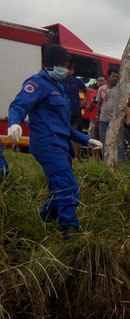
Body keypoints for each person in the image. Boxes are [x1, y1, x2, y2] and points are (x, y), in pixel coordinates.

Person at [7, 43, 103, 236]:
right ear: (52, 64)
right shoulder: (37, 83)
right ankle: (70, 228)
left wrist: (86, 140)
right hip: (46, 144)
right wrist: (15, 123)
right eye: (65, 65)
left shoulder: (57, 86)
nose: (67, 70)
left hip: (61, 145)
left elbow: (63, 125)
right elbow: (18, 105)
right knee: (68, 185)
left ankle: (44, 219)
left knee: (60, 187)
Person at [96, 69, 126, 159]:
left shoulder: (120, 88)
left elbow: (126, 102)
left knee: (119, 143)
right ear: (108, 77)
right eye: (113, 76)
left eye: (117, 77)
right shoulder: (101, 89)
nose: (115, 78)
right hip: (103, 120)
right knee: (104, 142)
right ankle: (106, 161)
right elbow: (98, 103)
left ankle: (120, 164)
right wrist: (97, 117)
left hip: (117, 120)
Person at [61, 64, 88, 156]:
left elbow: (86, 90)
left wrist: (85, 100)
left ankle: (74, 157)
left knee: (77, 135)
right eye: (66, 69)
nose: (68, 71)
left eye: (70, 70)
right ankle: (64, 155)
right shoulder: (59, 81)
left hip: (76, 111)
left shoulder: (77, 81)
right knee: (64, 134)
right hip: (63, 112)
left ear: (73, 71)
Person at [84, 75, 106, 160]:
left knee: (104, 140)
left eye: (102, 81)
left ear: (106, 82)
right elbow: (87, 109)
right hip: (93, 120)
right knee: (94, 140)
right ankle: (95, 160)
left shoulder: (107, 93)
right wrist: (92, 102)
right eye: (99, 81)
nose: (100, 83)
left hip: (104, 119)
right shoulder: (92, 94)